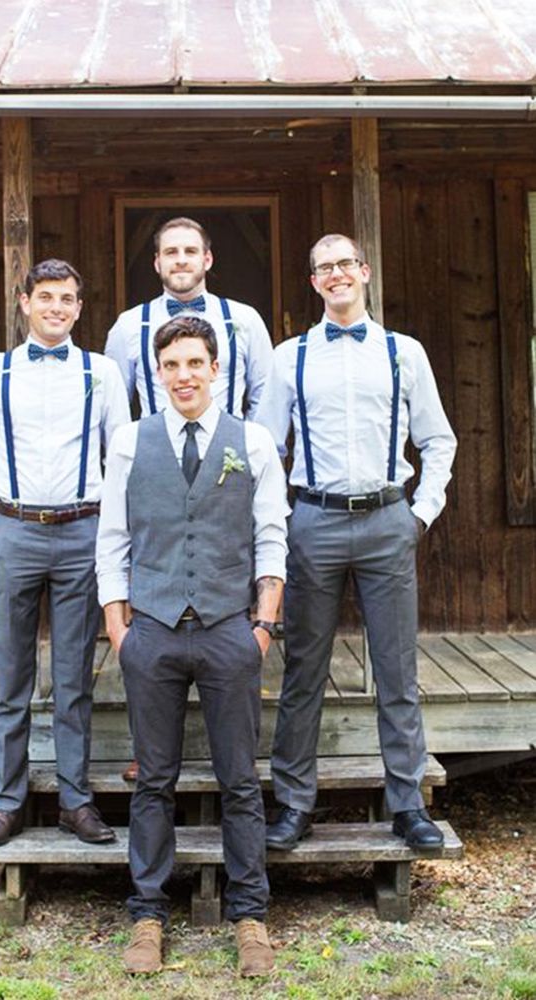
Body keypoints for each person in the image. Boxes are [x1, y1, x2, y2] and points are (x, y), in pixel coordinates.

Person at [97, 315, 289, 977]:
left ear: (214, 369)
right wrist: (119, 629)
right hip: (149, 631)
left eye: (194, 364)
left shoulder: (252, 442)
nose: (183, 375)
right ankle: (146, 916)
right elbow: (112, 540)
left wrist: (262, 624)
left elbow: (271, 535)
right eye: (172, 365)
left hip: (228, 631)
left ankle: (250, 917)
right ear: (159, 373)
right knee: (153, 782)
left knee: (239, 782)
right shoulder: (129, 442)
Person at [256, 234, 457, 854]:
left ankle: (407, 804)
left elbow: (438, 441)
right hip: (312, 523)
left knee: (396, 668)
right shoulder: (289, 357)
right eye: (324, 268)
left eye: (346, 264)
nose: (336, 275)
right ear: (313, 282)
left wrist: (419, 515)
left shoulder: (405, 354)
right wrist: (280, 524)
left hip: (387, 520)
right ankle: (293, 803)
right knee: (304, 671)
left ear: (364, 272)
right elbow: (265, 448)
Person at [0, 258, 130, 848]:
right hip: (14, 532)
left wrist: (111, 536)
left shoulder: (102, 372)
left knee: (75, 677)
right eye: (46, 296)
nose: (56, 307)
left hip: (83, 532)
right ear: (24, 302)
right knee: (12, 677)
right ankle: (7, 801)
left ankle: (76, 802)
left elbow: (121, 460)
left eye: (68, 299)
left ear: (80, 308)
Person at [104, 216, 273, 419]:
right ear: (157, 263)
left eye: (190, 251)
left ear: (207, 259)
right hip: (155, 447)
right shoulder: (128, 325)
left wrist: (247, 444)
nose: (181, 260)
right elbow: (113, 404)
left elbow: (265, 397)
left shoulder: (246, 319)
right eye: (171, 252)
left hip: (228, 447)